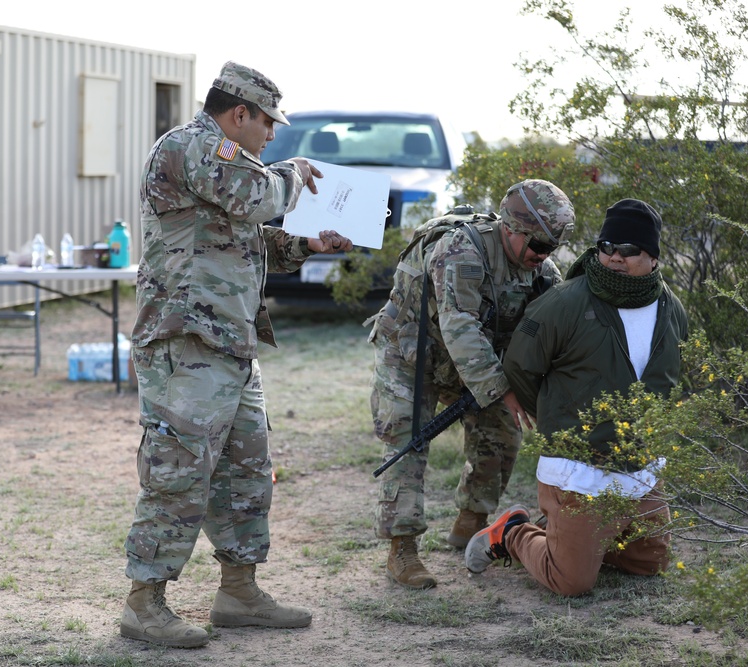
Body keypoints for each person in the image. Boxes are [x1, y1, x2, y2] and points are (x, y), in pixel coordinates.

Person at [121, 61, 354, 649]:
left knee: (246, 469)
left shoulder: (232, 164)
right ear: (240, 113)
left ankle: (239, 591)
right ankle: (144, 601)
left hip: (229, 342)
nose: (273, 135)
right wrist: (294, 175)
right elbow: (257, 200)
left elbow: (247, 232)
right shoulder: (194, 146)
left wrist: (309, 243)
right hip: (185, 341)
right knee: (179, 471)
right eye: (268, 122)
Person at [464, 198, 689, 597]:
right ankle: (514, 534)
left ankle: (571, 539)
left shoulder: (671, 308)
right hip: (579, 464)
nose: (614, 258)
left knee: (648, 564)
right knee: (572, 582)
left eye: (628, 250)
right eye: (606, 247)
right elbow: (521, 365)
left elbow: (674, 375)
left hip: (639, 461)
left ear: (653, 257)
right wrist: (557, 416)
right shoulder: (566, 302)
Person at [366, 179, 576, 589]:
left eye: (552, 248)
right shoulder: (461, 252)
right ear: (511, 229)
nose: (544, 255)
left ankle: (472, 521)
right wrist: (503, 388)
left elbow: (551, 332)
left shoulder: (542, 272)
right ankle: (402, 549)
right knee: (407, 443)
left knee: (501, 434)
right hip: (412, 355)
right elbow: (460, 325)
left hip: (474, 363)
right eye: (538, 245)